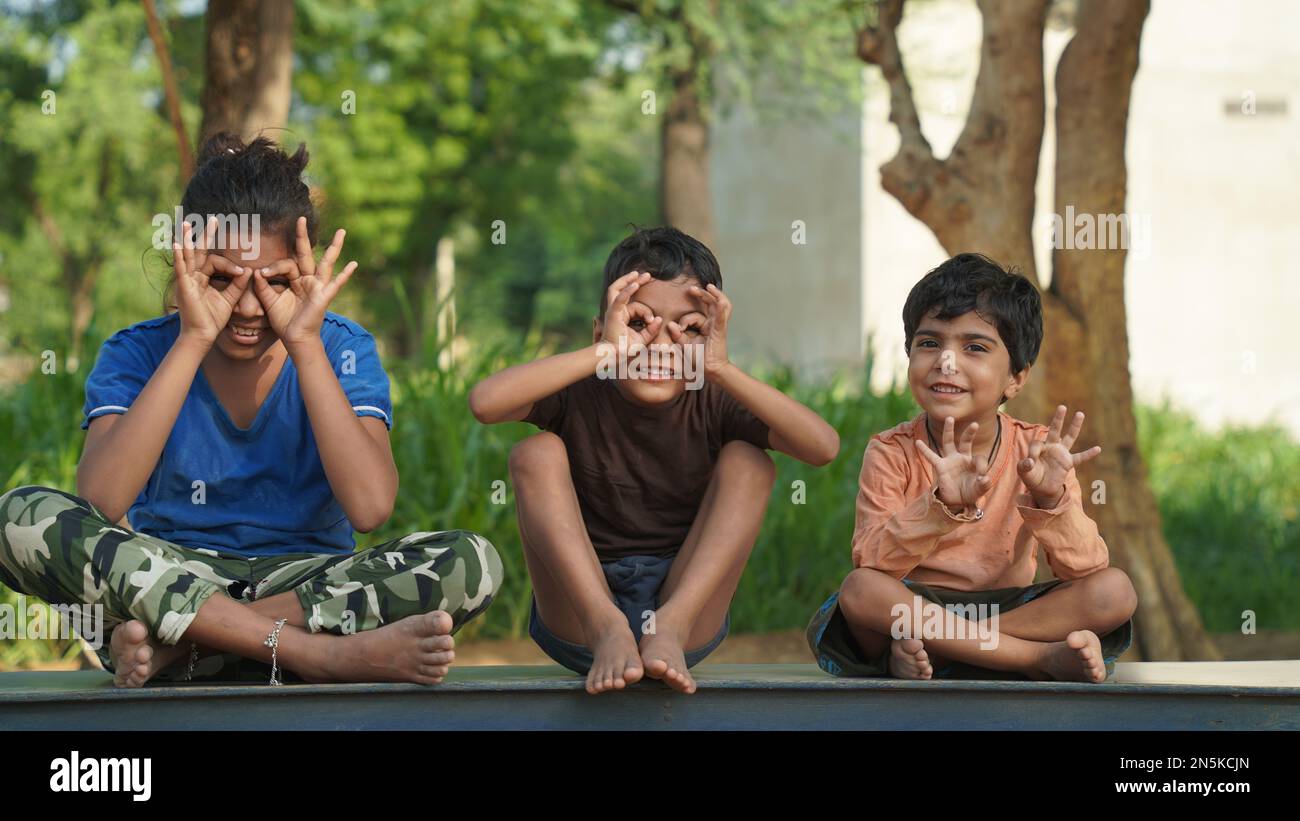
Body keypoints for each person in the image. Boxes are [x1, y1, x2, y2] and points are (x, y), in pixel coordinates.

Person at [0, 134, 502, 687]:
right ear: (183, 263)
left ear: (303, 273)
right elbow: (102, 499)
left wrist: (306, 344)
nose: (245, 306)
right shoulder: (137, 350)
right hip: (170, 573)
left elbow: (369, 507)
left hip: (305, 583)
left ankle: (194, 646)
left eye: (275, 283)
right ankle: (318, 657)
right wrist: (191, 339)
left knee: (472, 560)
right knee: (21, 517)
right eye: (221, 278)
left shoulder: (340, 346)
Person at [469, 226, 840, 694]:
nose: (661, 343)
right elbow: (485, 403)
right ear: (601, 329)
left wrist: (721, 369)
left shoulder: (713, 396)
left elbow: (822, 447)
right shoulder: (584, 387)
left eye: (689, 328)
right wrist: (607, 350)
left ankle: (669, 628)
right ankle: (609, 628)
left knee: (750, 461)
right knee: (535, 451)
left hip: (684, 609)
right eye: (639, 322)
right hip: (582, 608)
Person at [807, 253, 1136, 682]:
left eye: (974, 347)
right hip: (914, 608)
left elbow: (1086, 569)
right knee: (862, 591)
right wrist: (939, 505)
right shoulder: (890, 450)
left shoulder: (1037, 451)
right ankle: (1032, 659)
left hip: (1005, 609)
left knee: (1115, 590)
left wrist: (1050, 498)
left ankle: (950, 653)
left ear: (1016, 377)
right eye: (929, 343)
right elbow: (872, 562)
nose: (946, 361)